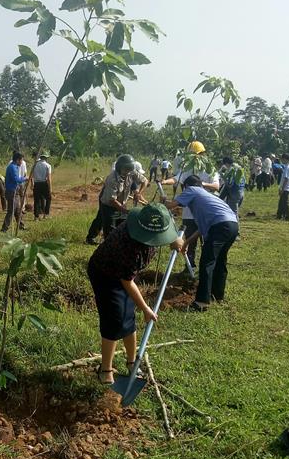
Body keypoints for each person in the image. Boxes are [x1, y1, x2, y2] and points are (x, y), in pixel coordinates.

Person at [87, 203, 183, 384]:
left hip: (125, 275)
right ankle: (105, 368)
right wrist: (146, 308)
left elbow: (166, 228)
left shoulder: (151, 222)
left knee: (128, 316)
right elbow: (127, 282)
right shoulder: (129, 247)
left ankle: (132, 362)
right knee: (113, 320)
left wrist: (174, 240)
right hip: (105, 274)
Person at [163, 175, 238, 312]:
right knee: (220, 261)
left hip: (220, 226)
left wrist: (163, 202)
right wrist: (186, 244)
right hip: (232, 225)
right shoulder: (207, 196)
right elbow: (201, 230)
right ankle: (217, 295)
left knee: (207, 262)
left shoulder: (192, 189)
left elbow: (171, 206)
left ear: (186, 186)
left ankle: (202, 302)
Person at [160, 141, 219, 274]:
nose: (194, 158)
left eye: (196, 155)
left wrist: (200, 184)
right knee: (190, 243)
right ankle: (189, 267)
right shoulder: (187, 168)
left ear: (203, 154)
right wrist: (164, 181)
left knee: (206, 242)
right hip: (189, 213)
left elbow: (216, 186)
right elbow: (176, 179)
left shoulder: (210, 169)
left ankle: (205, 269)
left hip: (204, 212)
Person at [97, 154, 136, 239]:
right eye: (126, 169)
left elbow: (143, 180)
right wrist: (125, 211)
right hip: (109, 206)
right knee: (109, 230)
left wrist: (137, 192)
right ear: (119, 168)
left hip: (121, 205)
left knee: (121, 228)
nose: (128, 172)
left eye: (130, 169)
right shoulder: (112, 179)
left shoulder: (130, 173)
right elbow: (112, 200)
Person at [2, 152, 28, 232]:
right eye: (21, 160)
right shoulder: (12, 167)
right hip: (11, 192)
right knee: (11, 211)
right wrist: (24, 178)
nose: (22, 162)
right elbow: (16, 179)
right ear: (17, 160)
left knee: (17, 210)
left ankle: (21, 226)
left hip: (14, 191)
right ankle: (4, 229)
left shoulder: (15, 167)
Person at [31, 152, 53, 220]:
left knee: (36, 200)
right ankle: (46, 214)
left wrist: (32, 184)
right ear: (46, 158)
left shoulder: (35, 165)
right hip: (44, 183)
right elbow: (49, 178)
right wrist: (50, 188)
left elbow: (31, 176)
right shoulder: (48, 165)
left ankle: (36, 216)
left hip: (36, 184)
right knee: (48, 198)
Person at [276, 153, 289, 220]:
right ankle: (279, 215)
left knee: (285, 203)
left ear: (285, 159)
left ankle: (286, 216)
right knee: (281, 202)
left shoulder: (288, 167)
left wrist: (282, 189)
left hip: (286, 187)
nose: (281, 160)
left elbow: (286, 179)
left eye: (282, 159)